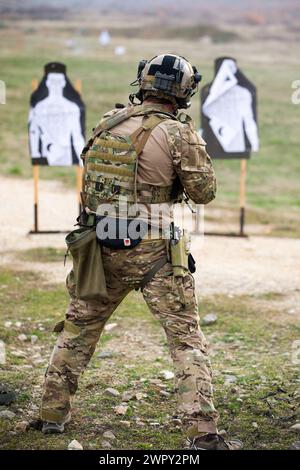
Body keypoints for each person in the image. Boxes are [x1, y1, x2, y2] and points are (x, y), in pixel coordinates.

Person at [39, 54, 242, 450]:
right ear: (184, 91)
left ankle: (50, 414)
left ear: (142, 82)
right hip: (154, 252)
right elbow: (204, 194)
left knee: (79, 330)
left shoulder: (108, 122)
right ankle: (202, 434)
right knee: (185, 341)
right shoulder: (179, 134)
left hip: (99, 248)